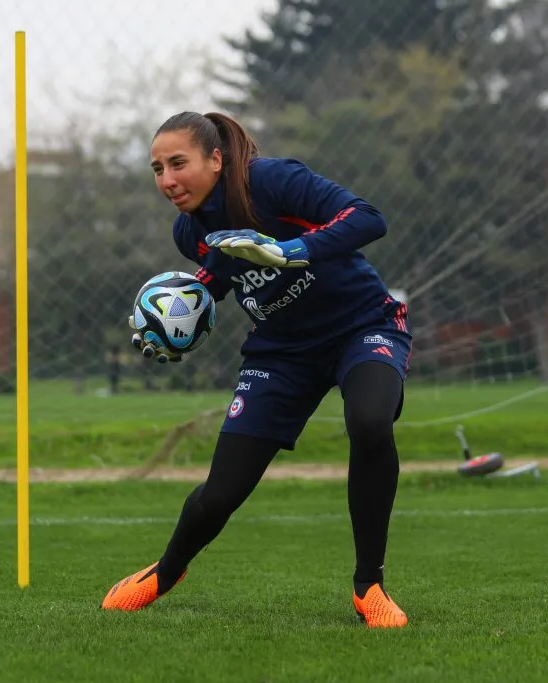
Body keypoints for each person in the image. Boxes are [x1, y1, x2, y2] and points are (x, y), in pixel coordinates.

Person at [101, 111, 412, 628]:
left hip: (363, 327)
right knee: (221, 492)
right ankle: (165, 572)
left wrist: (290, 251)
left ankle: (369, 586)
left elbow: (367, 217)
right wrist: (176, 320)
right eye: (157, 169)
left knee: (370, 421)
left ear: (216, 159)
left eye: (178, 163)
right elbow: (220, 278)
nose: (167, 180)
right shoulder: (189, 232)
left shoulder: (271, 180)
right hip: (281, 355)